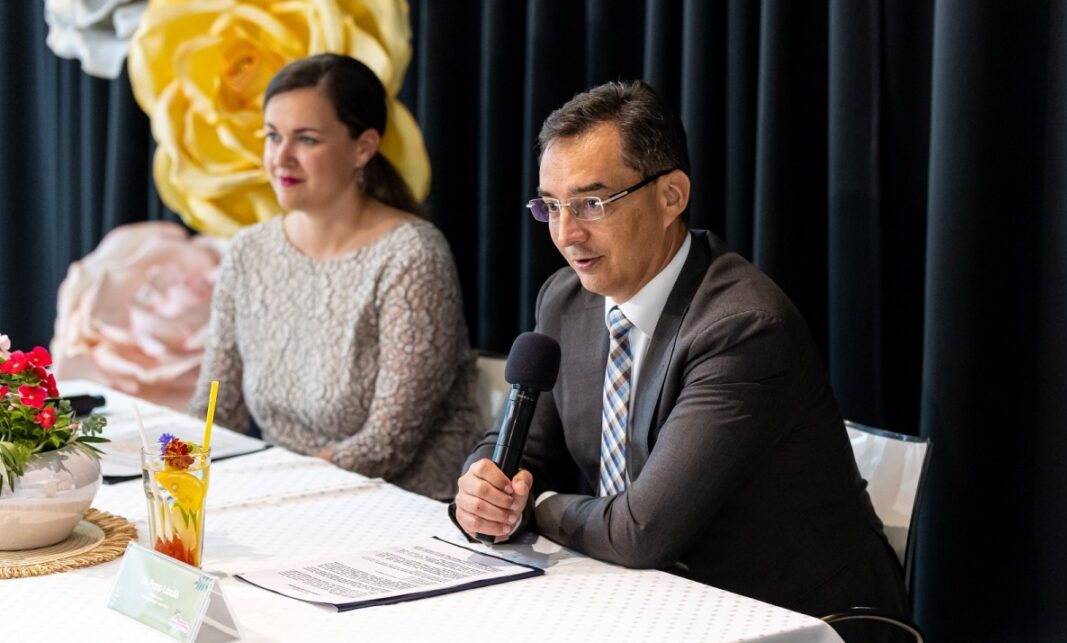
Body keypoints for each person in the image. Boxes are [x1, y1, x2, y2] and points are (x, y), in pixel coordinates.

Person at [453, 80, 910, 619]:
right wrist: (484, 490)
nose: (566, 234)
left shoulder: (743, 327)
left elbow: (638, 531)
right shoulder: (565, 302)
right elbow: (519, 451)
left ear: (671, 196)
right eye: (551, 206)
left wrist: (534, 505)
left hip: (791, 616)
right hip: (648, 600)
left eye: (592, 203)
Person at [191, 54, 478, 501]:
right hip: (285, 499)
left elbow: (387, 443)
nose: (280, 157)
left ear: (363, 148)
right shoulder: (247, 251)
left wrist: (272, 489)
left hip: (402, 506)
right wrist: (178, 472)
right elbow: (215, 412)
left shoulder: (412, 254)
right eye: (272, 136)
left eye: (306, 139)